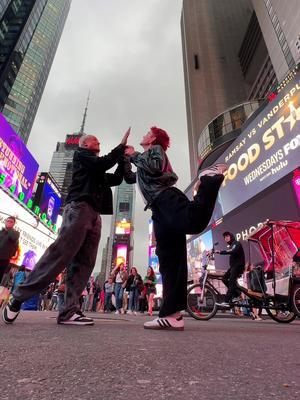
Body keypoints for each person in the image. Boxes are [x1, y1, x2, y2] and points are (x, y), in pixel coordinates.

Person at [3, 129, 130, 326]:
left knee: (85, 263)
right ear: (85, 145)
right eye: (95, 140)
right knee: (60, 254)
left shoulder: (95, 169)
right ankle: (18, 296)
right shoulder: (82, 156)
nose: (99, 142)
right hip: (79, 209)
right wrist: (120, 146)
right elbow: (103, 163)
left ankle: (69, 311)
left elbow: (115, 179)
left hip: (95, 215)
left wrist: (123, 159)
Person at [123, 126, 226, 330]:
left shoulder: (156, 151)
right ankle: (172, 315)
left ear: (152, 139)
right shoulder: (143, 159)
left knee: (194, 222)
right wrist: (125, 158)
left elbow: (154, 167)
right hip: (158, 208)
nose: (143, 136)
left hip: (166, 198)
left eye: (146, 133)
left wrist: (133, 154)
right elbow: (129, 178)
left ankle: (208, 179)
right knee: (170, 261)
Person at [215, 231, 246, 307]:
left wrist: (220, 252)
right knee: (224, 279)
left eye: (227, 236)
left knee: (232, 282)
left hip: (238, 266)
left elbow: (233, 250)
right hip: (233, 267)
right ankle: (237, 294)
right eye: (225, 237)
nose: (226, 238)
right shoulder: (232, 245)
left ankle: (226, 301)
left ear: (231, 236)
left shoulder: (236, 243)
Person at [0, 216, 20, 284]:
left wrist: (8, 229)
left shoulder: (16, 233)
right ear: (5, 222)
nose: (9, 223)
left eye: (11, 222)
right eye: (8, 221)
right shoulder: (1, 232)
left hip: (4, 258)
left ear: (14, 224)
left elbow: (14, 238)